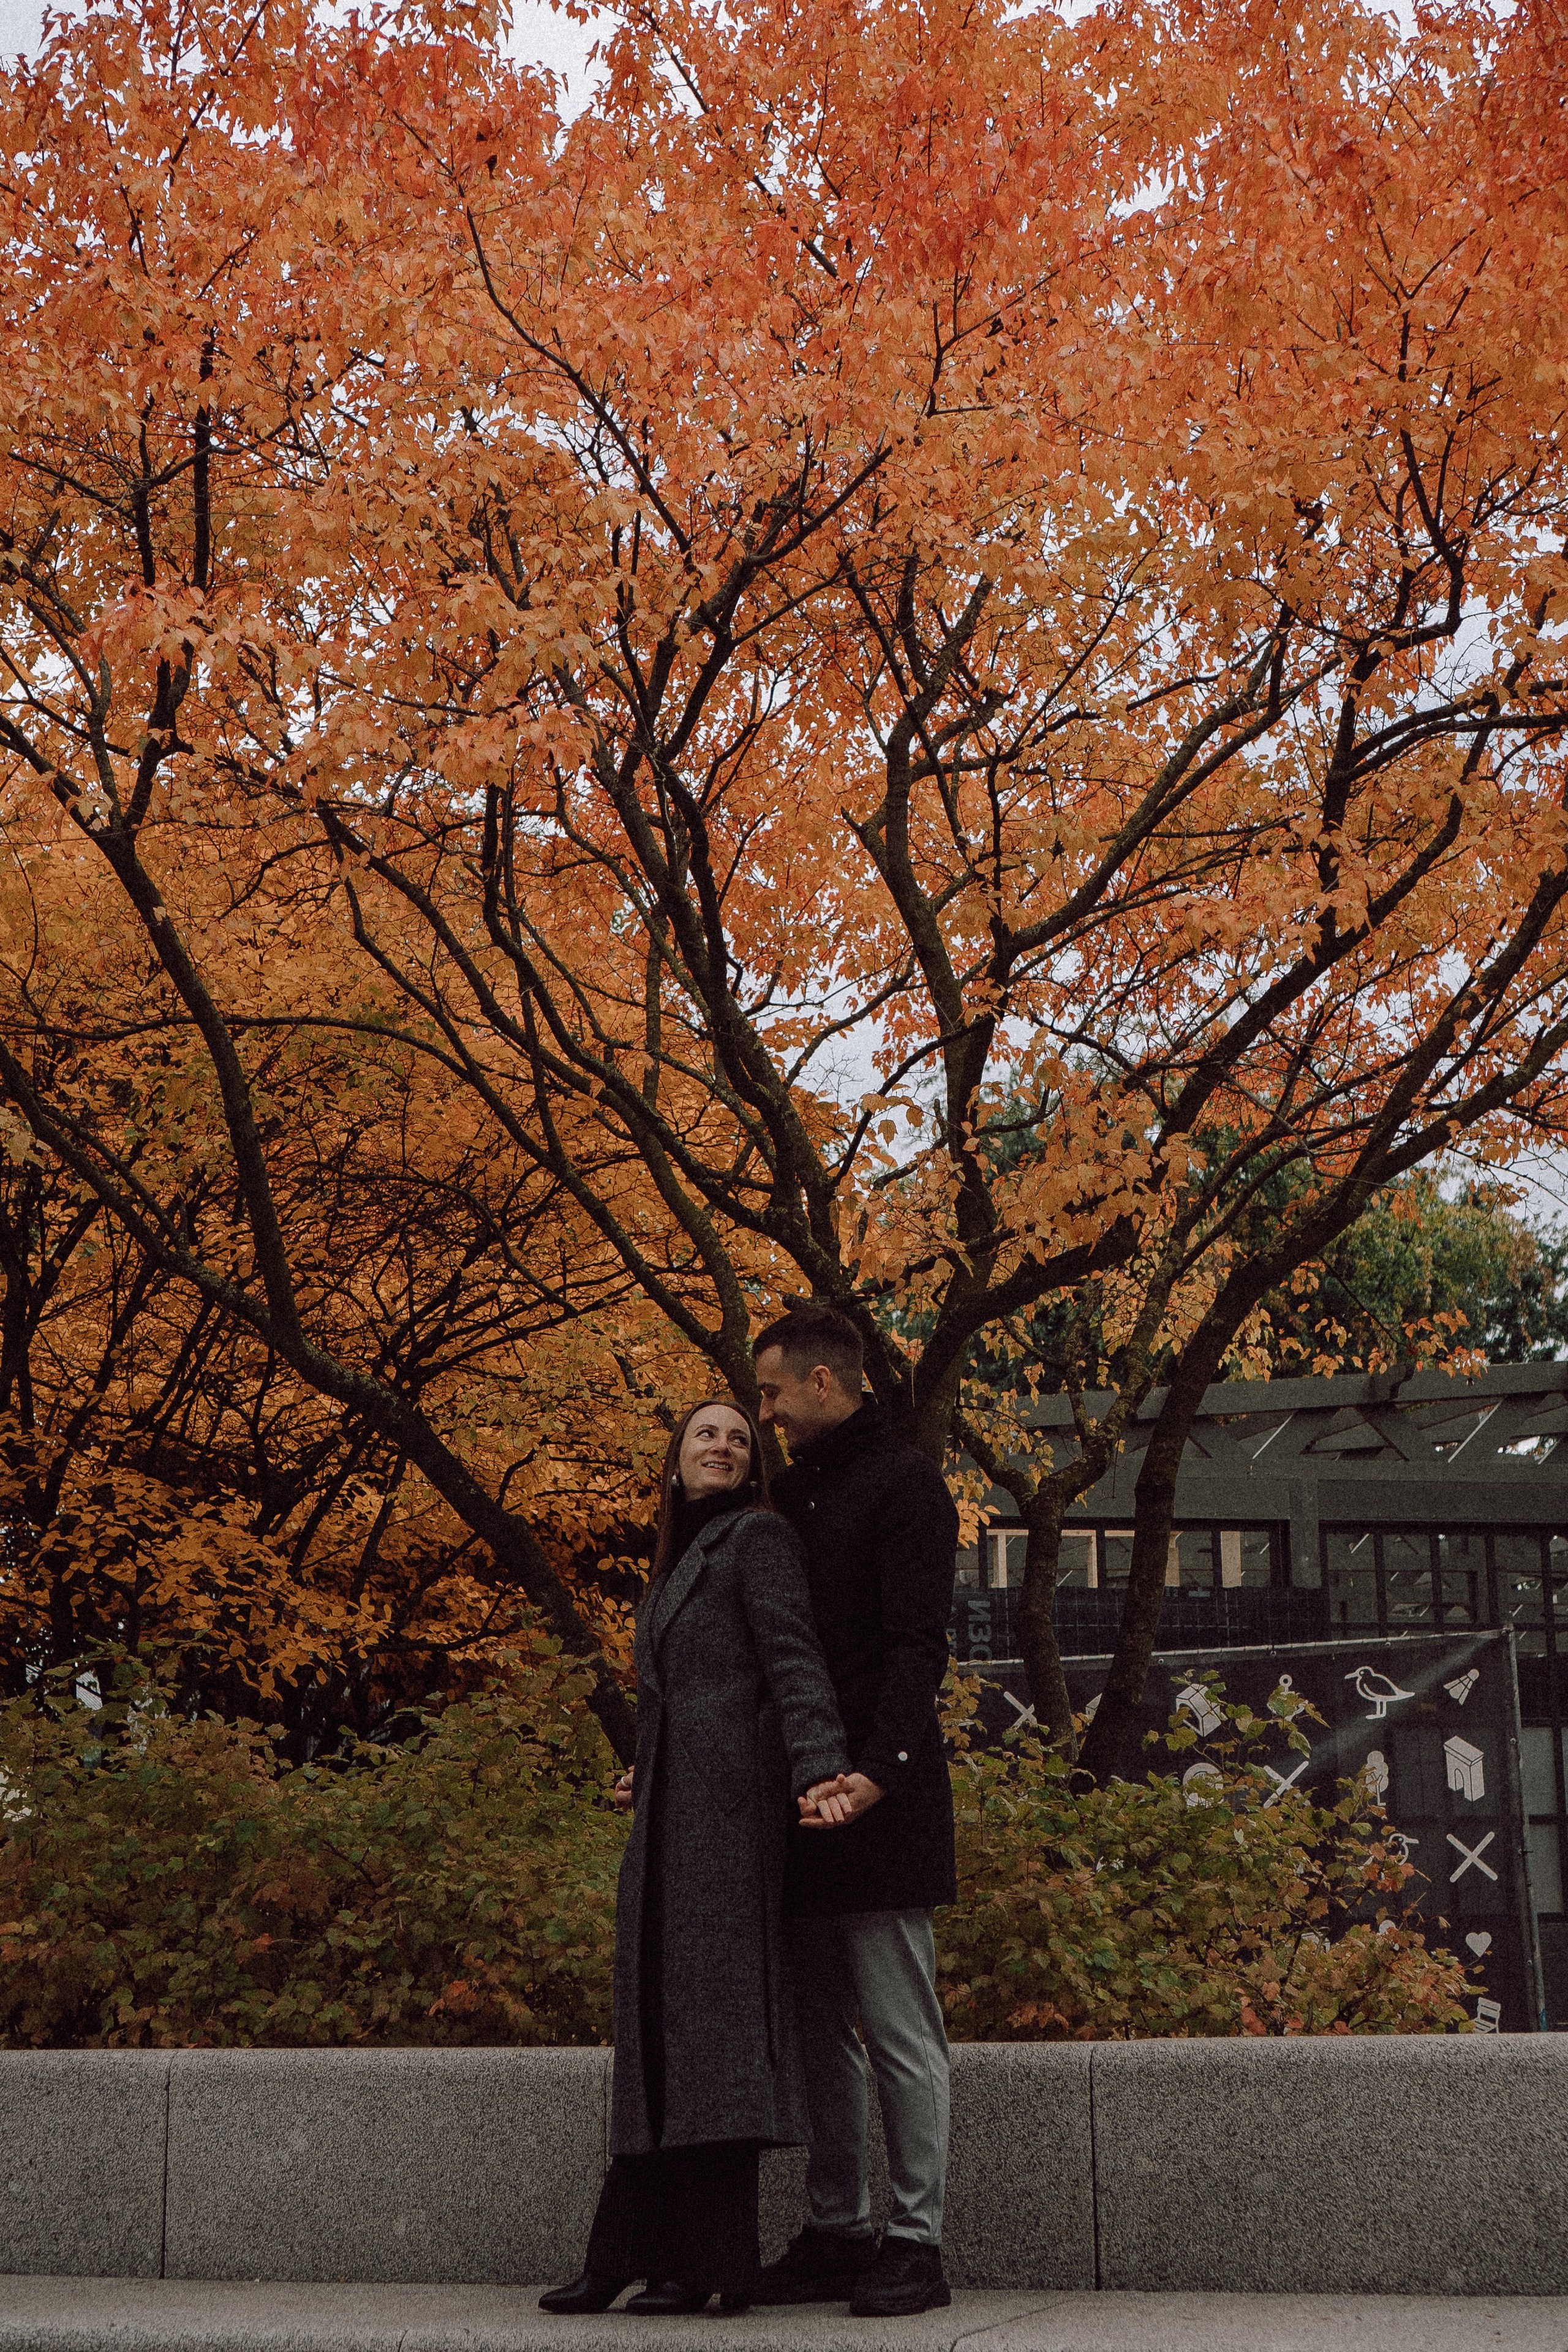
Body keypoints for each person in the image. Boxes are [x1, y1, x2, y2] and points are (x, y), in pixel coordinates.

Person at [539, 1396, 853, 2318]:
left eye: (739, 1438)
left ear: (753, 1465)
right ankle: (654, 2257)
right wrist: (652, 1764)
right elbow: (688, 1692)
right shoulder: (680, 1557)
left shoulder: (759, 1538)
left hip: (732, 1823)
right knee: (663, 2031)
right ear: (675, 1458)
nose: (723, 1445)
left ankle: (697, 2263)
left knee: (711, 2036)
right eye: (705, 1433)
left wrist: (821, 1767)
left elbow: (794, 1662)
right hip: (674, 1820)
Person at [752, 1305, 960, 2319]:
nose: (766, 1413)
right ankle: (838, 2230)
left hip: (884, 1796)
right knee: (818, 2029)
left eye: (773, 1393)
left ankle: (917, 2244)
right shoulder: (786, 1497)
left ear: (823, 1383)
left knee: (898, 2026)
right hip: (803, 1793)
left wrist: (878, 1774)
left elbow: (920, 1646)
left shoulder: (907, 1484)